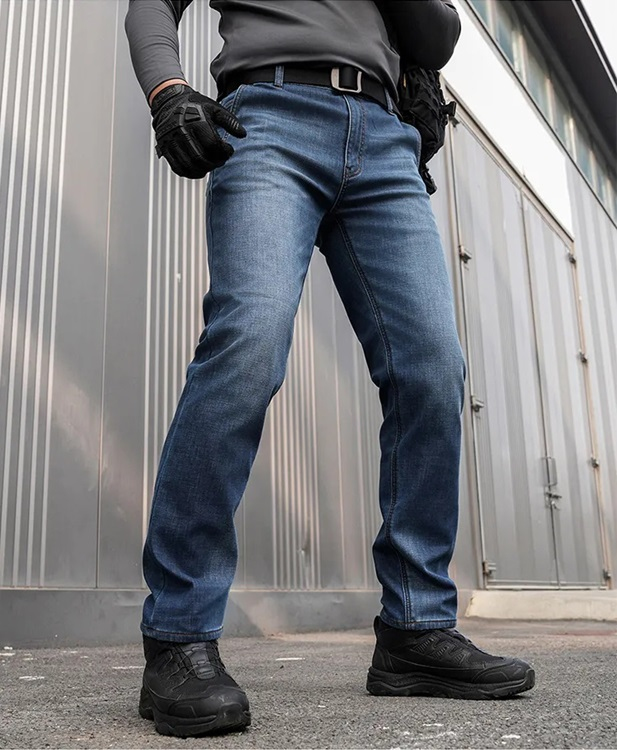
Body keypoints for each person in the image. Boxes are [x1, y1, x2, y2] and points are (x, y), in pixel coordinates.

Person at [124, 0, 535, 738]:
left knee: (432, 367)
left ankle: (415, 629)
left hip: (384, 140)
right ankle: (177, 636)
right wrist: (168, 92)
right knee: (248, 345)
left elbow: (437, 36)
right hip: (268, 120)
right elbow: (150, 6)